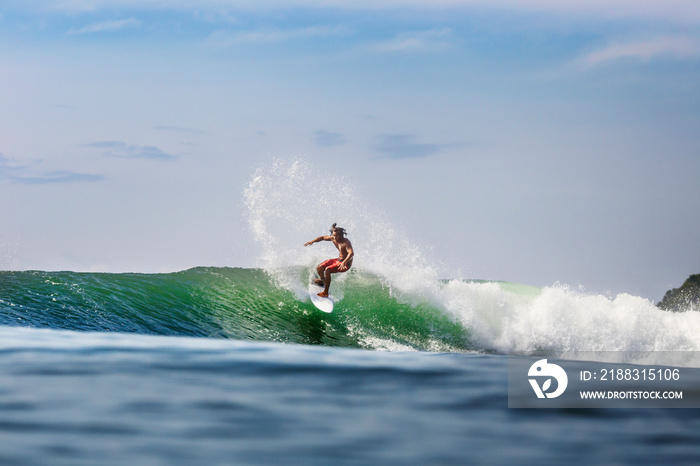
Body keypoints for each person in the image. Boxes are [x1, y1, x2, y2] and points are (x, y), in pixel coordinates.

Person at [304, 223, 354, 297]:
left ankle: (325, 292)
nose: (333, 237)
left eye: (336, 235)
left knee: (328, 269)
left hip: (346, 264)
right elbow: (322, 238)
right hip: (338, 260)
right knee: (319, 268)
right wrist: (312, 241)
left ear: (340, 235)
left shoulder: (346, 242)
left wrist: (344, 262)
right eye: (333, 235)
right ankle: (323, 281)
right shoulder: (333, 238)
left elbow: (351, 253)